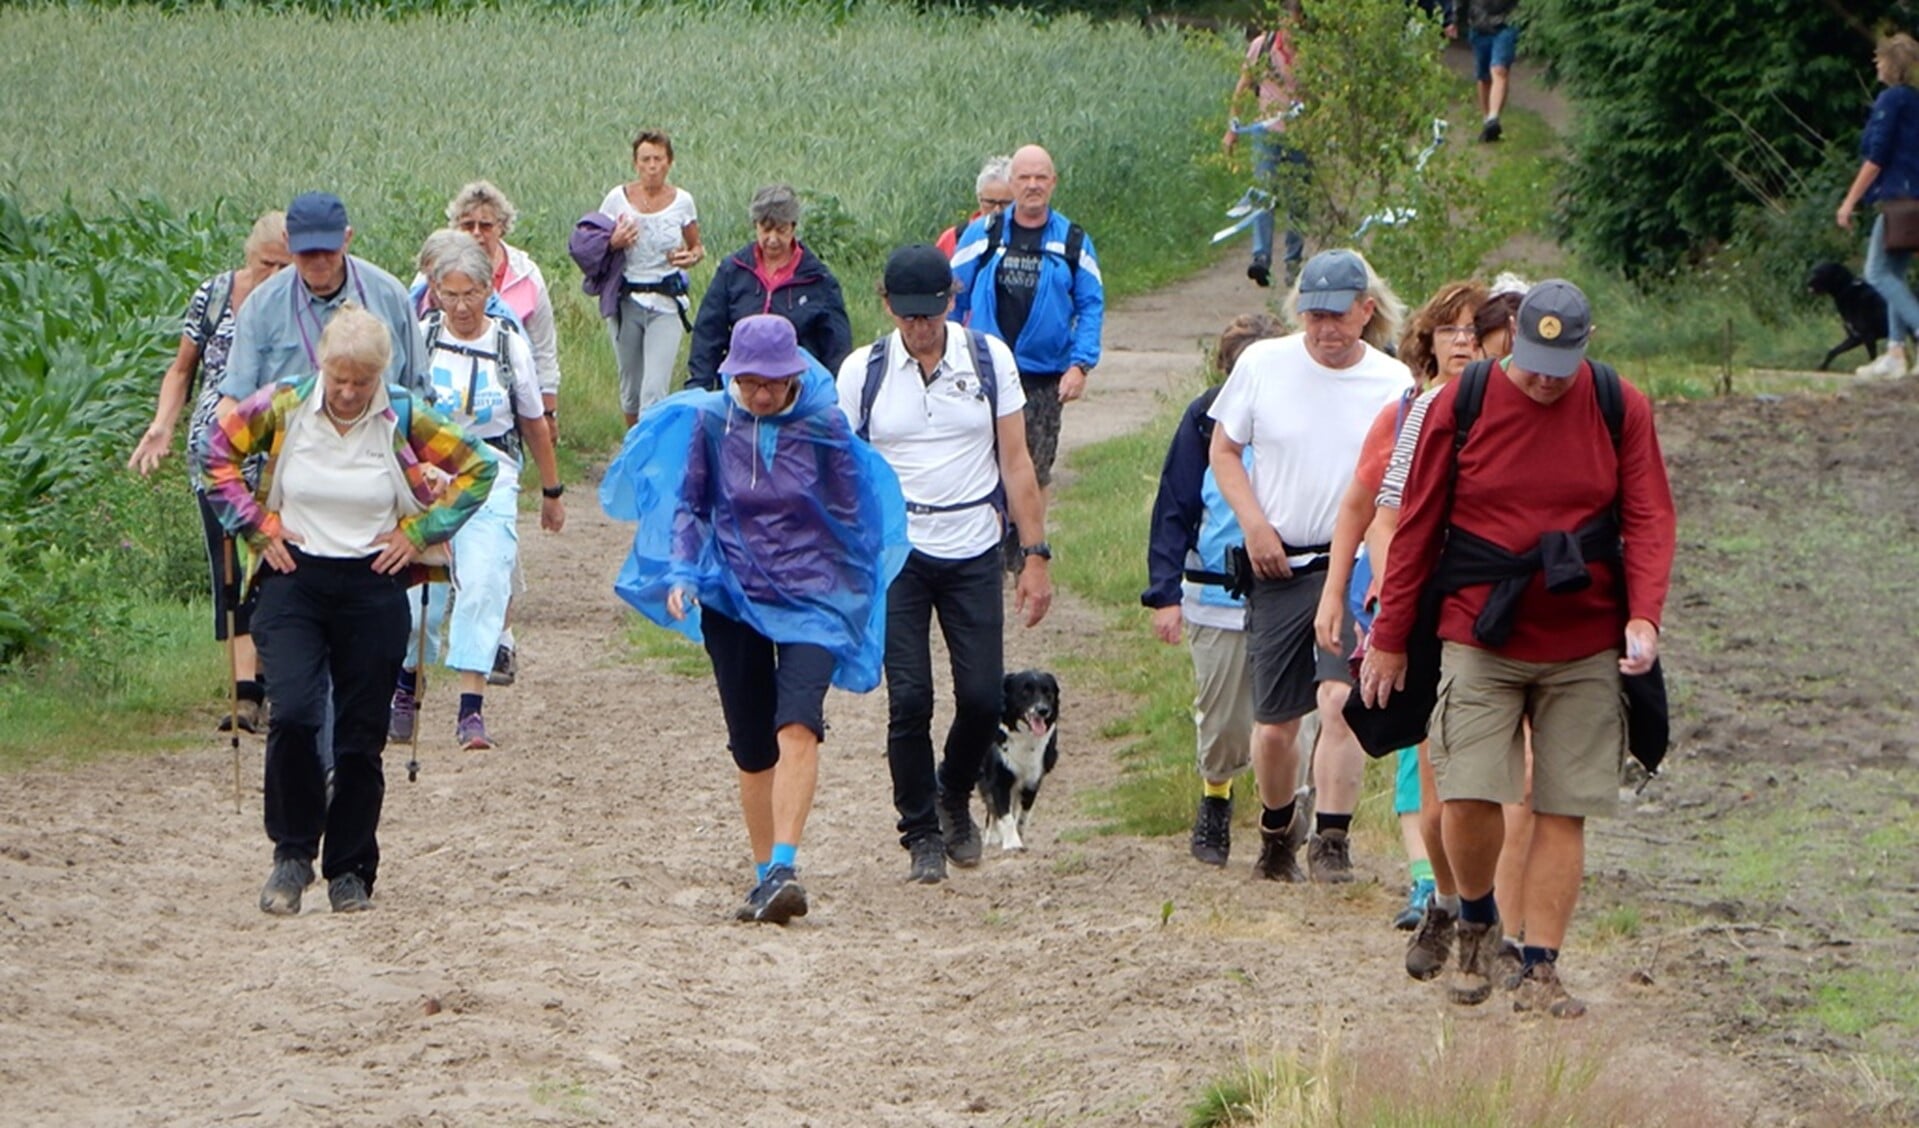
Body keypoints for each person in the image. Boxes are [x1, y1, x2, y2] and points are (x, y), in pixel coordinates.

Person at [1361, 279, 1676, 1018]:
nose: (1541, 376)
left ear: (1583, 348)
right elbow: (1414, 528)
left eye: (1556, 363)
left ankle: (1540, 968)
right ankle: (1474, 917)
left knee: (1564, 807)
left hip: (1583, 637)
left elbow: (1649, 513)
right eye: (1530, 359)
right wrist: (1390, 637)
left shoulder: (1616, 403)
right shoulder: (1457, 404)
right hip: (1478, 628)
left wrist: (1645, 617)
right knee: (1467, 790)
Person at [602, 315, 908, 923]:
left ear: (793, 376)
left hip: (813, 599)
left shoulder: (825, 427)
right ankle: (766, 875)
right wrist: (683, 573)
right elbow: (690, 505)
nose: (760, 394)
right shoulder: (712, 423)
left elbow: (856, 518)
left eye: (771, 382)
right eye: (747, 382)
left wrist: (850, 596)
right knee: (750, 742)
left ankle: (788, 864)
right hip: (732, 594)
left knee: (797, 723)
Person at [202, 306, 497, 916]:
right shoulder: (285, 404)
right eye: (338, 376)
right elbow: (215, 450)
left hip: (373, 582)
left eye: (361, 381)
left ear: (380, 376)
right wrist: (257, 527)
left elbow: (479, 465)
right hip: (294, 577)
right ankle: (290, 856)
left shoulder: (402, 415)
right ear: (321, 365)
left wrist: (420, 533)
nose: (347, 391)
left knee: (361, 736)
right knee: (297, 713)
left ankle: (350, 870)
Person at [839, 244, 1053, 884]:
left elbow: (1017, 463)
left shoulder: (989, 361)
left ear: (950, 302)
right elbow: (844, 472)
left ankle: (953, 790)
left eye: (929, 314)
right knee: (910, 699)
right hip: (898, 552)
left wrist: (1034, 555)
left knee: (984, 697)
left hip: (972, 547)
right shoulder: (863, 372)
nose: (919, 327)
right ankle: (921, 832)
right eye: (906, 316)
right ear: (887, 307)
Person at [1208, 248, 1411, 884]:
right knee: (1273, 728)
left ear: (1366, 311)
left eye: (1338, 316)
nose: (1325, 330)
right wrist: (1254, 523)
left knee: (1339, 700)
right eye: (1313, 316)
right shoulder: (1263, 365)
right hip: (1278, 565)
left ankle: (1332, 838)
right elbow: (1224, 450)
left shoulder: (1393, 383)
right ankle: (1276, 827)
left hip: (1350, 566)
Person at [1311, 280, 1485, 939]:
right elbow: (1369, 514)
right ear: (1427, 341)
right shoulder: (1404, 415)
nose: (1463, 342)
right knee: (1419, 746)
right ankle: (1430, 883)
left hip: (1479, 604)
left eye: (1475, 330)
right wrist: (1373, 594)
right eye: (1449, 330)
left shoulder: (1505, 410)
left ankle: (1470, 895)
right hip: (1405, 604)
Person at [386, 238, 566, 752]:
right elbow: (398, 414)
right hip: (428, 474)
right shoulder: (421, 338)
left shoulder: (510, 344)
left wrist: (551, 491)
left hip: (492, 471)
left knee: (484, 582)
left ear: (490, 289)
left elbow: (533, 422)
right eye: (451, 294)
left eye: (472, 294)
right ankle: (406, 685)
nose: (462, 306)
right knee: (421, 593)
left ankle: (471, 709)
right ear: (436, 292)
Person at [128, 210, 290, 734]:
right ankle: (245, 694)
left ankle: (273, 685)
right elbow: (182, 369)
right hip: (217, 457)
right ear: (249, 256)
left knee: (275, 568)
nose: (275, 275)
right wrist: (162, 426)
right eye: (267, 263)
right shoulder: (215, 296)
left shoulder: (300, 308)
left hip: (281, 457)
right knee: (230, 572)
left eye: (284, 265)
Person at [1143, 313, 1288, 867]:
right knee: (1224, 717)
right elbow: (1174, 507)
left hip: (1293, 590)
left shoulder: (1304, 417)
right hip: (1217, 594)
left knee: (1292, 718)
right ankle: (1217, 798)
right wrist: (1164, 593)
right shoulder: (1203, 421)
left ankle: (1292, 819)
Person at [950, 145, 1104, 490]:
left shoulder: (1073, 241)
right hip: (984, 374)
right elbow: (952, 297)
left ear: (1053, 182)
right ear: (1012, 182)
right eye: (1024, 177)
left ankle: (1031, 544)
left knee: (1034, 476)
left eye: (1041, 177)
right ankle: (988, 543)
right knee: (979, 471)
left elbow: (1091, 305)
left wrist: (1080, 365)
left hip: (1043, 378)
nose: (1032, 185)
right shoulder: (983, 235)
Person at [219, 191, 428, 404]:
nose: (318, 261)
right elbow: (235, 399)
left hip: (378, 430)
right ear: (287, 241)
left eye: (328, 250)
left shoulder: (390, 295)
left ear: (347, 238)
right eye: (307, 252)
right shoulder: (260, 306)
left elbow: (420, 392)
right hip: (290, 433)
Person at [688, 184, 850, 393]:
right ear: (755, 226)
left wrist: (831, 395)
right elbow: (708, 333)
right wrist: (700, 388)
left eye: (781, 230)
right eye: (765, 230)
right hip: (740, 385)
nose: (772, 239)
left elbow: (837, 347)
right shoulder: (733, 271)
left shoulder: (818, 279)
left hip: (797, 387)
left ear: (793, 227)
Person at [444, 181, 564, 441]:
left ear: (501, 227)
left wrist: (548, 411)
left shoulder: (527, 275)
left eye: (486, 226)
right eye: (467, 225)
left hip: (513, 402)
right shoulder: (435, 275)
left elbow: (544, 348)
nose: (477, 234)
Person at [600, 130, 704, 425]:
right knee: (631, 389)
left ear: (669, 163)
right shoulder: (616, 199)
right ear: (635, 163)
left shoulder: (683, 201)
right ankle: (633, 448)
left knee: (654, 390)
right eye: (645, 159)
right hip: (626, 300)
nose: (652, 166)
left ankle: (648, 453)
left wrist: (691, 256)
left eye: (658, 159)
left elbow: (696, 246)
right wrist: (613, 243)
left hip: (666, 303)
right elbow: (593, 244)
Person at [1838, 33, 1919, 379]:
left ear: (1892, 63)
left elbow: (1877, 157)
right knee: (1895, 275)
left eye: (1880, 58)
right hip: (1914, 195)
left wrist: (1849, 201)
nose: (1876, 63)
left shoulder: (1891, 101)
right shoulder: (1915, 101)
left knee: (1876, 273)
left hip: (1897, 198)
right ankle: (1895, 353)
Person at [1222, 7, 1308, 289]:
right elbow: (1244, 85)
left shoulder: (1313, 53)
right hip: (1266, 133)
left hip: (1302, 136)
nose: (1291, 27)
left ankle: (1293, 263)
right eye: (1288, 20)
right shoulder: (1263, 46)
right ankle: (1261, 257)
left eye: (1296, 20)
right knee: (1263, 193)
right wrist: (1232, 128)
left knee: (1298, 201)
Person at [1461, 0, 1520, 142]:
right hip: (1479, 27)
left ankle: (1493, 118)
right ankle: (1487, 120)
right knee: (1484, 78)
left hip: (1506, 24)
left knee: (1499, 70)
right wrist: (1451, 18)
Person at [935, 156, 1014, 258]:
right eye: (990, 202)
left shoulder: (1029, 237)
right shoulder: (953, 238)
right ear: (979, 198)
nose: (997, 210)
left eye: (1005, 203)